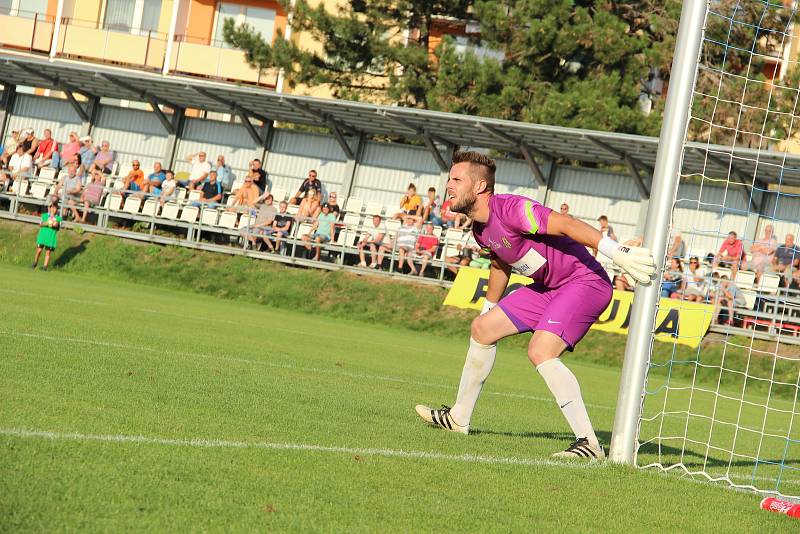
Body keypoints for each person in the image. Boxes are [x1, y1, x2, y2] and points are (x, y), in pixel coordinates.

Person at [414, 151, 655, 459]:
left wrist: (614, 251)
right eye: (450, 179)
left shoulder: (512, 209)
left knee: (540, 350)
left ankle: (590, 444)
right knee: (482, 329)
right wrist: (490, 309)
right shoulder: (479, 229)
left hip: (584, 283)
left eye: (457, 179)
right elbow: (501, 264)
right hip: (549, 287)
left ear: (479, 187)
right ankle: (459, 418)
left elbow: (566, 224)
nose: (449, 185)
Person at [32, 203, 62, 271]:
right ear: (50, 208)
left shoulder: (58, 218)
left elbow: (57, 227)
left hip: (50, 237)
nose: (53, 209)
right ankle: (35, 262)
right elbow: (40, 224)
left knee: (48, 252)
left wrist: (55, 224)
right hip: (42, 236)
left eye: (55, 208)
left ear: (57, 210)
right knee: (39, 250)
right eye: (52, 208)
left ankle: (45, 267)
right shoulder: (44, 215)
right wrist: (48, 222)